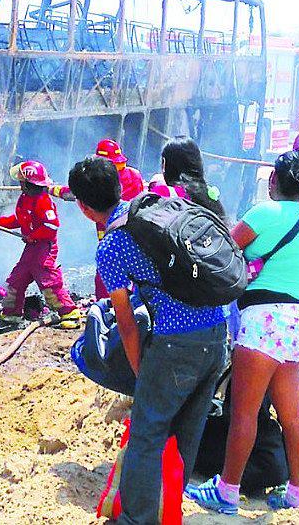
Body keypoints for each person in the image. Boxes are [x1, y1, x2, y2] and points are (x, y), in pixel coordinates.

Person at [68, 156, 227, 525]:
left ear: (84, 208)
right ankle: (168, 509)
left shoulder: (111, 247)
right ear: (121, 187)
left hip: (176, 342)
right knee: (186, 433)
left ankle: (137, 519)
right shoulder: (157, 209)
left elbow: (124, 323)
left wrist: (142, 372)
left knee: (147, 431)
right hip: (217, 333)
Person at [188, 151, 299, 514]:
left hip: (263, 322)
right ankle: (296, 494)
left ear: (275, 181)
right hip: (297, 323)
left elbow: (223, 251)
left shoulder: (264, 213)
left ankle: (228, 492)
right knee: (294, 415)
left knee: (244, 413)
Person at [0, 160, 81, 328]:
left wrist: (34, 236)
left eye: (22, 181)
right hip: (32, 248)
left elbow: (52, 226)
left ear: (29, 184)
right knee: (17, 279)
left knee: (48, 281)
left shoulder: (43, 201)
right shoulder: (25, 199)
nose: (20, 184)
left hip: (44, 247)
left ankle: (69, 313)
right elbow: (18, 219)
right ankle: (11, 316)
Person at [49, 139, 146, 298]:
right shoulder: (134, 175)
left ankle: (107, 309)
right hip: (137, 234)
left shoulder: (99, 183)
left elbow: (72, 193)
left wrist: (50, 189)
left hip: (110, 233)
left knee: (105, 279)